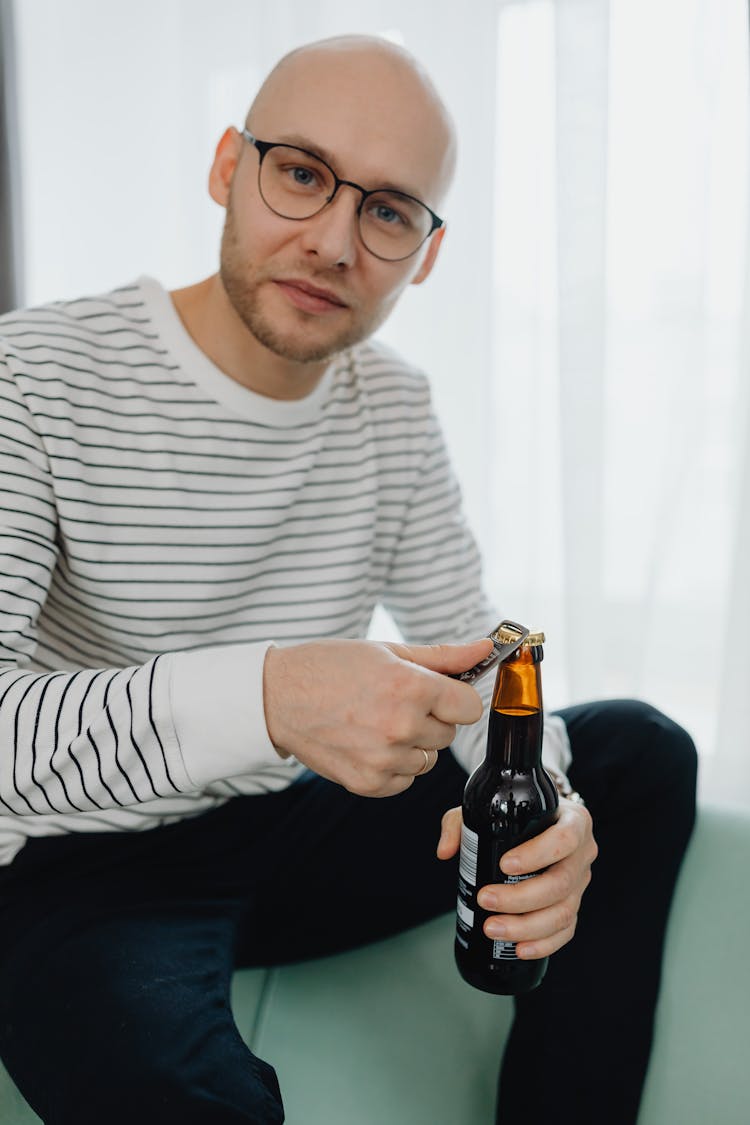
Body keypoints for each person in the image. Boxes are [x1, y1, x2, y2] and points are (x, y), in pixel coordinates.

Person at [0, 33, 696, 1125]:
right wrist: (272, 696)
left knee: (639, 753)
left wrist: (545, 806)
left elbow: (477, 656)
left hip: (290, 828)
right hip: (87, 856)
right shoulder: (31, 378)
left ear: (424, 251)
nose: (332, 242)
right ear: (229, 166)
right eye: (302, 174)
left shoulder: (395, 407)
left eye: (386, 211)